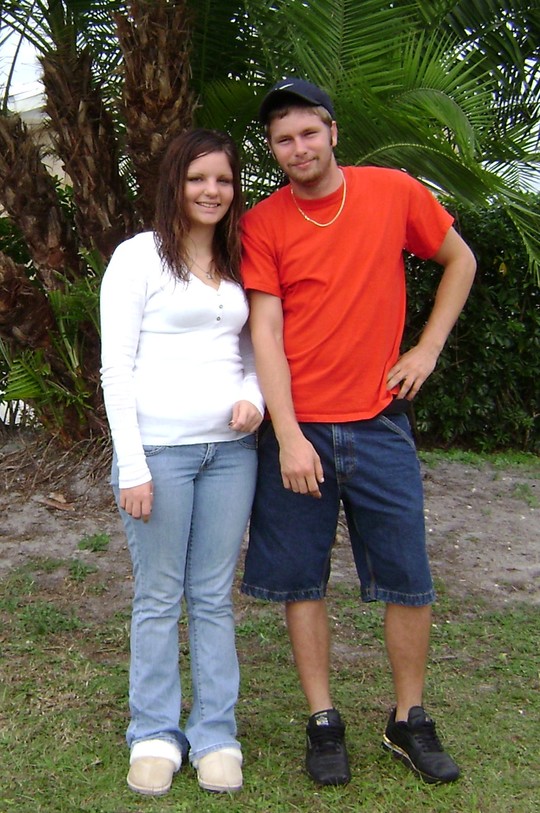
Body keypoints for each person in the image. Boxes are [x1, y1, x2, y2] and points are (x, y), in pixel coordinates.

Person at [240, 78, 477, 787]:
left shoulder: (393, 191)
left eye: (309, 133)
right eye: (283, 139)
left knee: (408, 577)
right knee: (301, 579)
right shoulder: (262, 223)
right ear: (274, 149)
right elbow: (265, 332)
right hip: (302, 430)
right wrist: (287, 435)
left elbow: (459, 260)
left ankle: (409, 719)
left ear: (333, 132)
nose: (298, 148)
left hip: (379, 423)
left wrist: (427, 348)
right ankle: (323, 720)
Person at [100, 129, 263, 797]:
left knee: (214, 595)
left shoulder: (239, 258)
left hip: (231, 455)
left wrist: (254, 398)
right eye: (198, 178)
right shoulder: (139, 257)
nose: (211, 191)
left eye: (222, 179)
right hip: (159, 455)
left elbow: (255, 352)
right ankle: (154, 734)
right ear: (175, 183)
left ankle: (217, 733)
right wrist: (133, 465)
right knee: (160, 595)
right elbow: (116, 367)